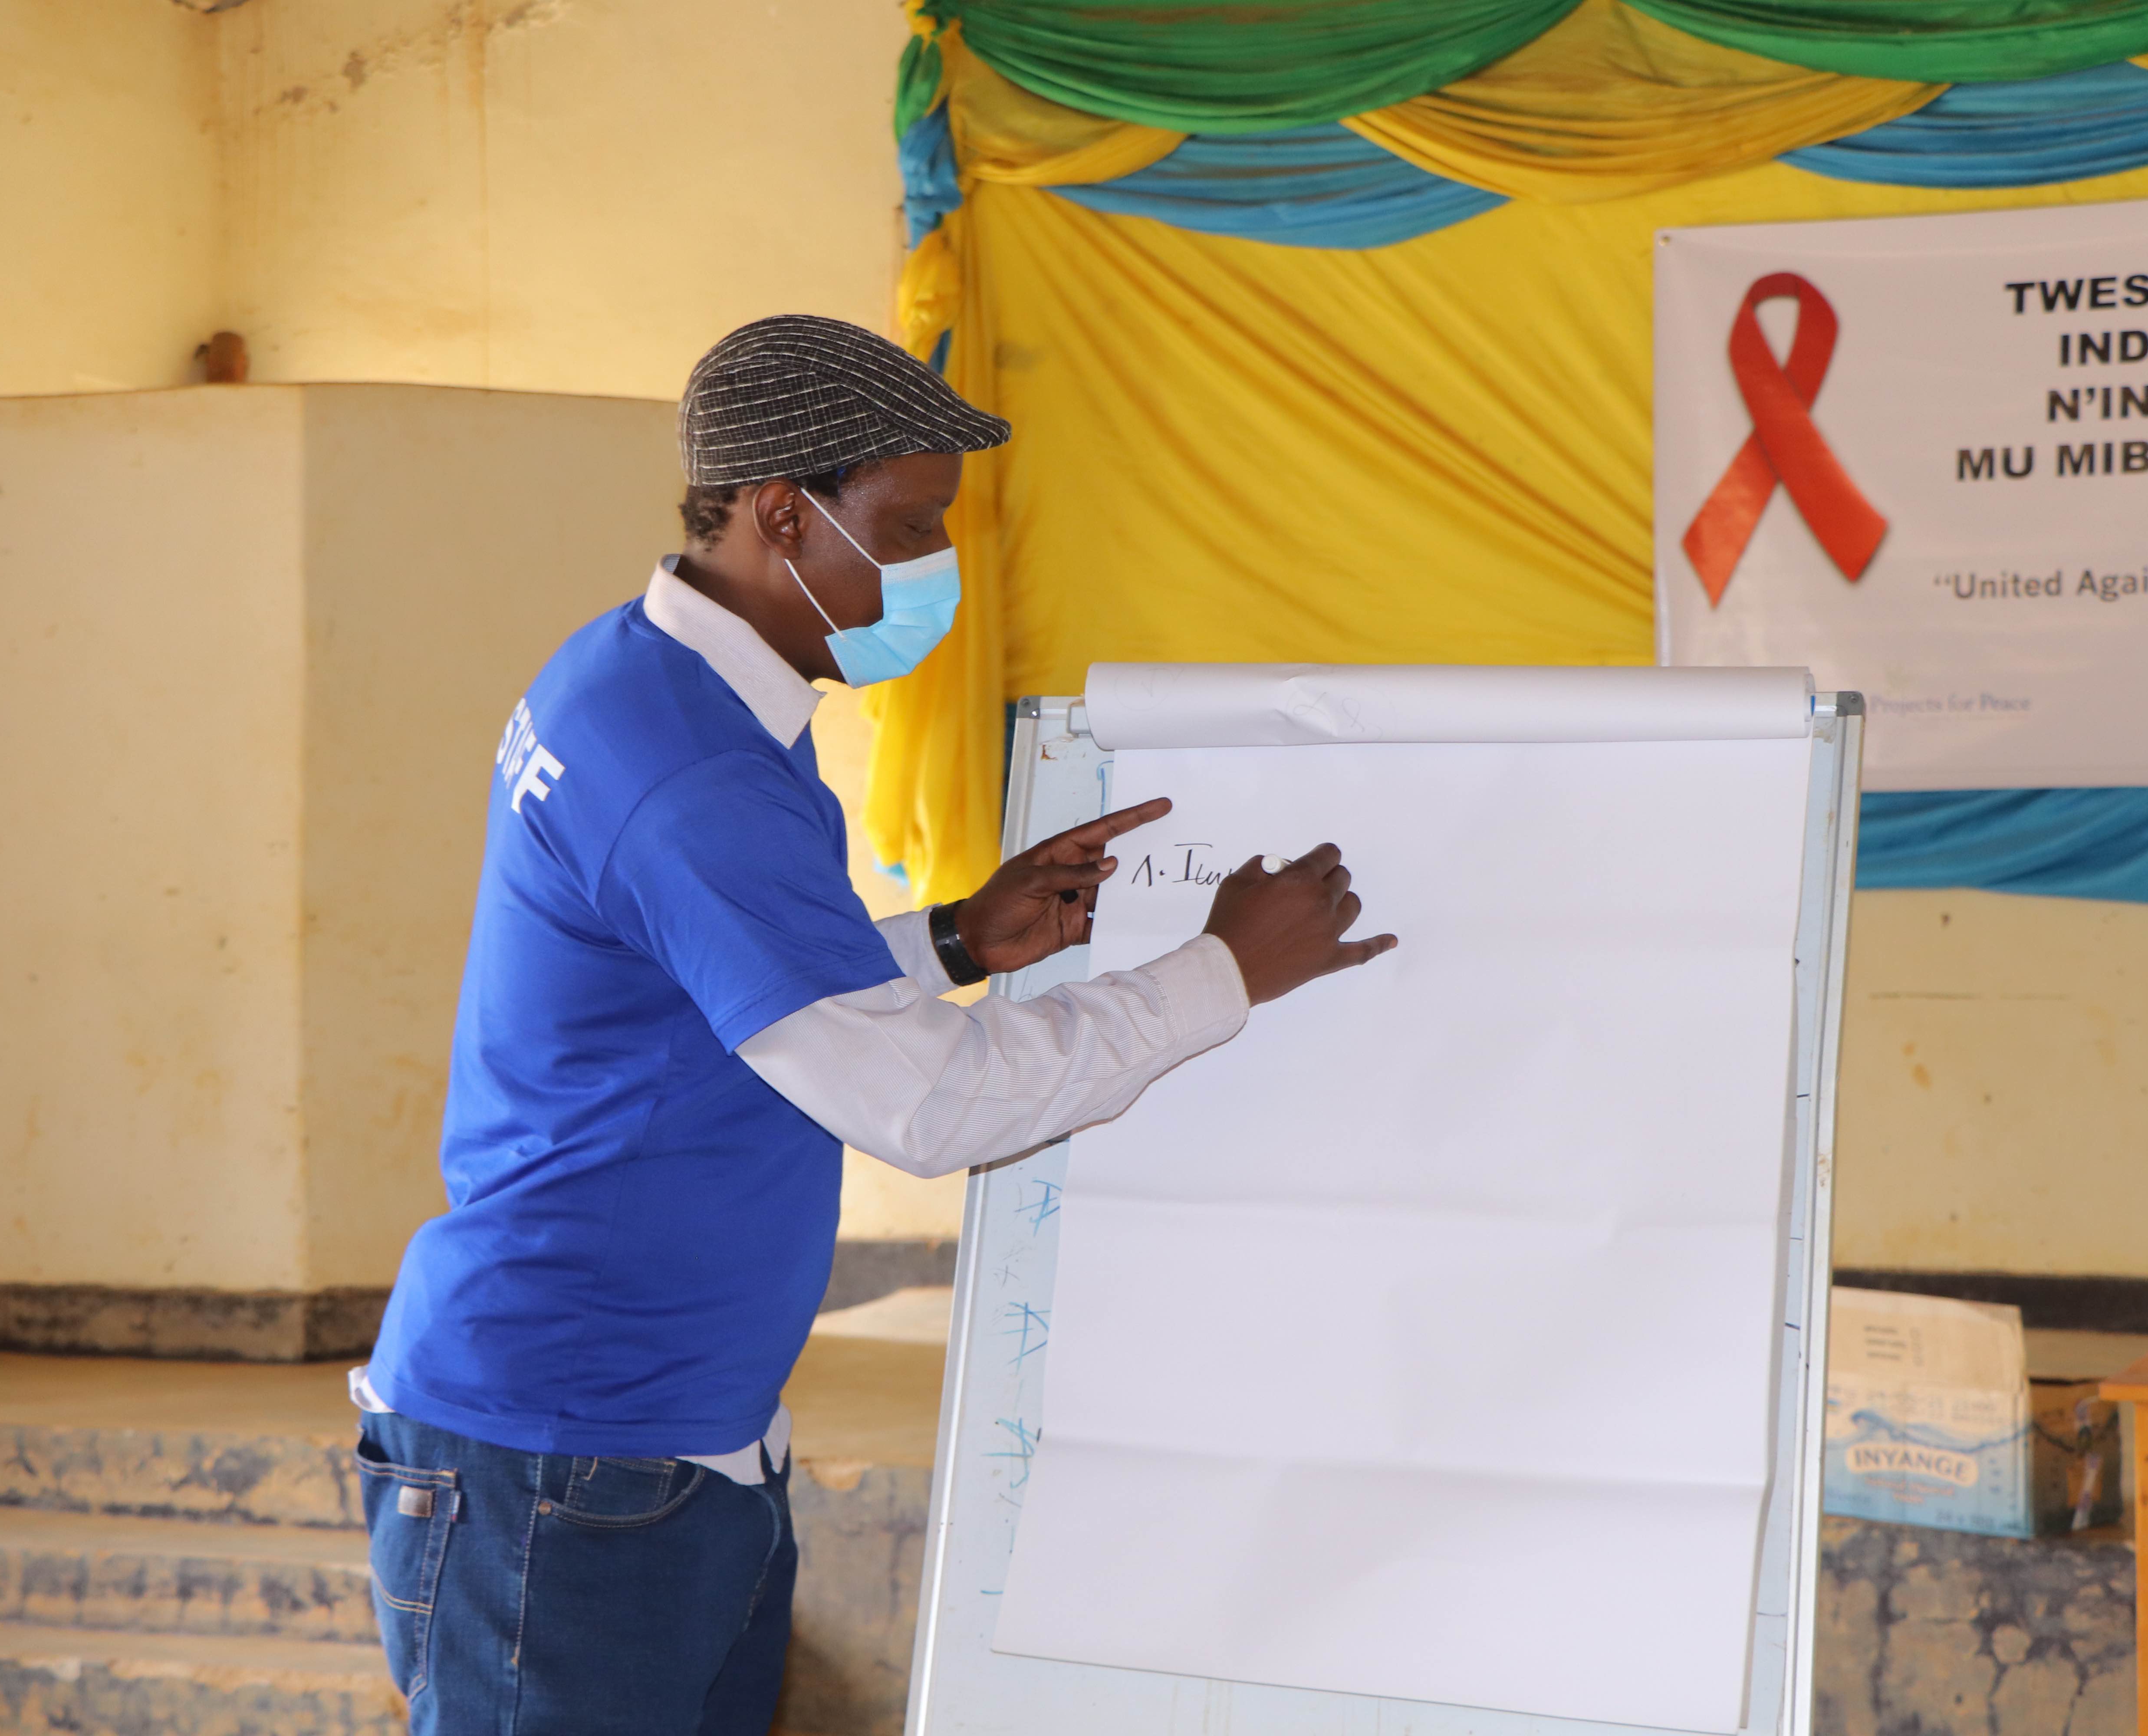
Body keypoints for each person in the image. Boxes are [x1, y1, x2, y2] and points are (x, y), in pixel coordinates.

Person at [352, 314, 1395, 1736]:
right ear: (782, 513)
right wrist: (1224, 972)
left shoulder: (640, 682)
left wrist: (961, 938)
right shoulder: (690, 773)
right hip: (567, 1459)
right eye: (907, 528)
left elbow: (717, 997)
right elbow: (929, 1107)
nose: (933, 570)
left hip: (658, 1438)